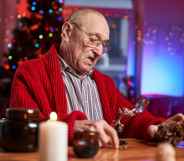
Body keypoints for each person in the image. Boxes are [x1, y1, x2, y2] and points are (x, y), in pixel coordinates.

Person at [9, 9, 184, 149]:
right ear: (67, 31)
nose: (99, 51)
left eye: (103, 44)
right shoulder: (30, 73)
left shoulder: (105, 83)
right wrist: (74, 126)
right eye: (93, 40)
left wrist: (154, 129)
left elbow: (129, 118)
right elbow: (22, 129)